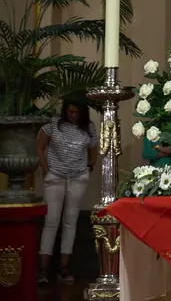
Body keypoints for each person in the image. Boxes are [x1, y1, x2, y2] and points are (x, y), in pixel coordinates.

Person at [36, 99, 98, 284]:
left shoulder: (89, 127)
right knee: (51, 221)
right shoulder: (53, 123)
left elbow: (93, 149)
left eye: (76, 112)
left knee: (70, 221)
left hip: (78, 178)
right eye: (70, 111)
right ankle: (43, 270)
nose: (73, 115)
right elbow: (40, 146)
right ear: (65, 111)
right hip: (55, 176)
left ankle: (64, 268)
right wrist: (46, 168)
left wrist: (89, 167)